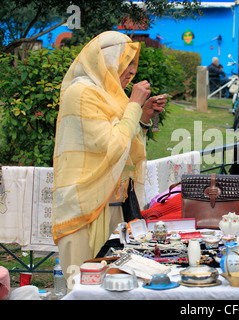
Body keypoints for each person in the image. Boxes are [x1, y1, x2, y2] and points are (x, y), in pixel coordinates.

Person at [52, 31, 167, 277]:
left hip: (114, 203)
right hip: (86, 206)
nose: (130, 73)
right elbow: (112, 146)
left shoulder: (111, 96)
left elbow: (127, 147)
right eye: (126, 64)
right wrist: (134, 105)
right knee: (85, 285)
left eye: (133, 68)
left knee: (113, 285)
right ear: (106, 61)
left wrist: (143, 117)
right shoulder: (81, 93)